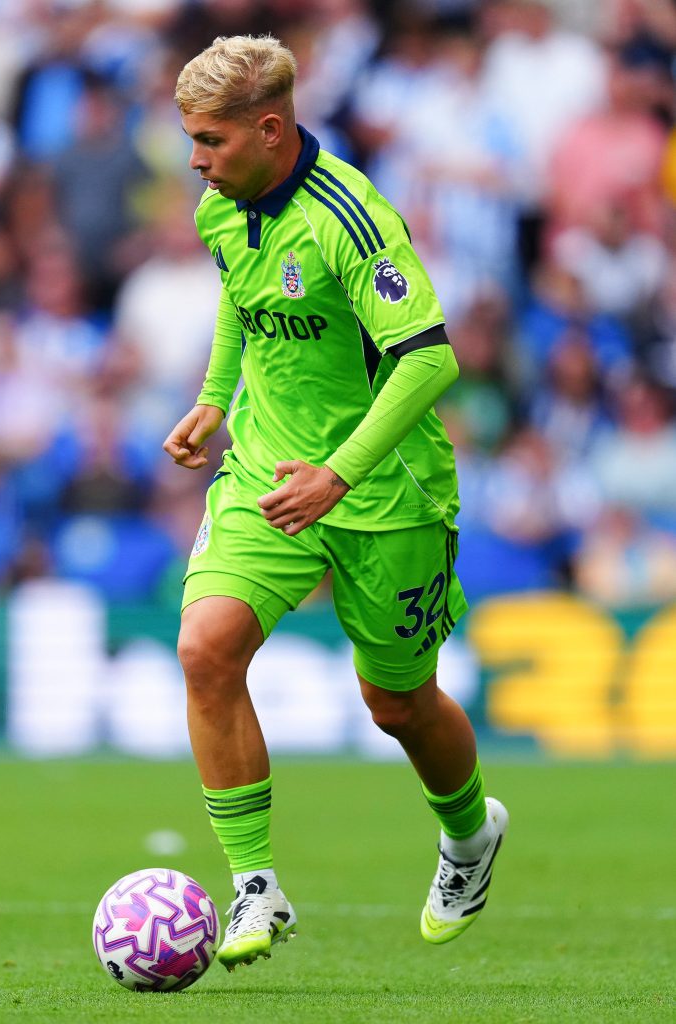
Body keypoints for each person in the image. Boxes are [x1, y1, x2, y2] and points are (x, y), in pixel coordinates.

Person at [163, 35, 509, 973]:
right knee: (205, 649)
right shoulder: (220, 208)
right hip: (268, 472)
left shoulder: (351, 221)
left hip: (384, 490)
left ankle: (470, 836)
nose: (195, 160)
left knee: (395, 702)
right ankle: (253, 888)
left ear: (268, 130)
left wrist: (339, 475)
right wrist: (212, 396)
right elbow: (242, 295)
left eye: (209, 140)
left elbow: (429, 356)